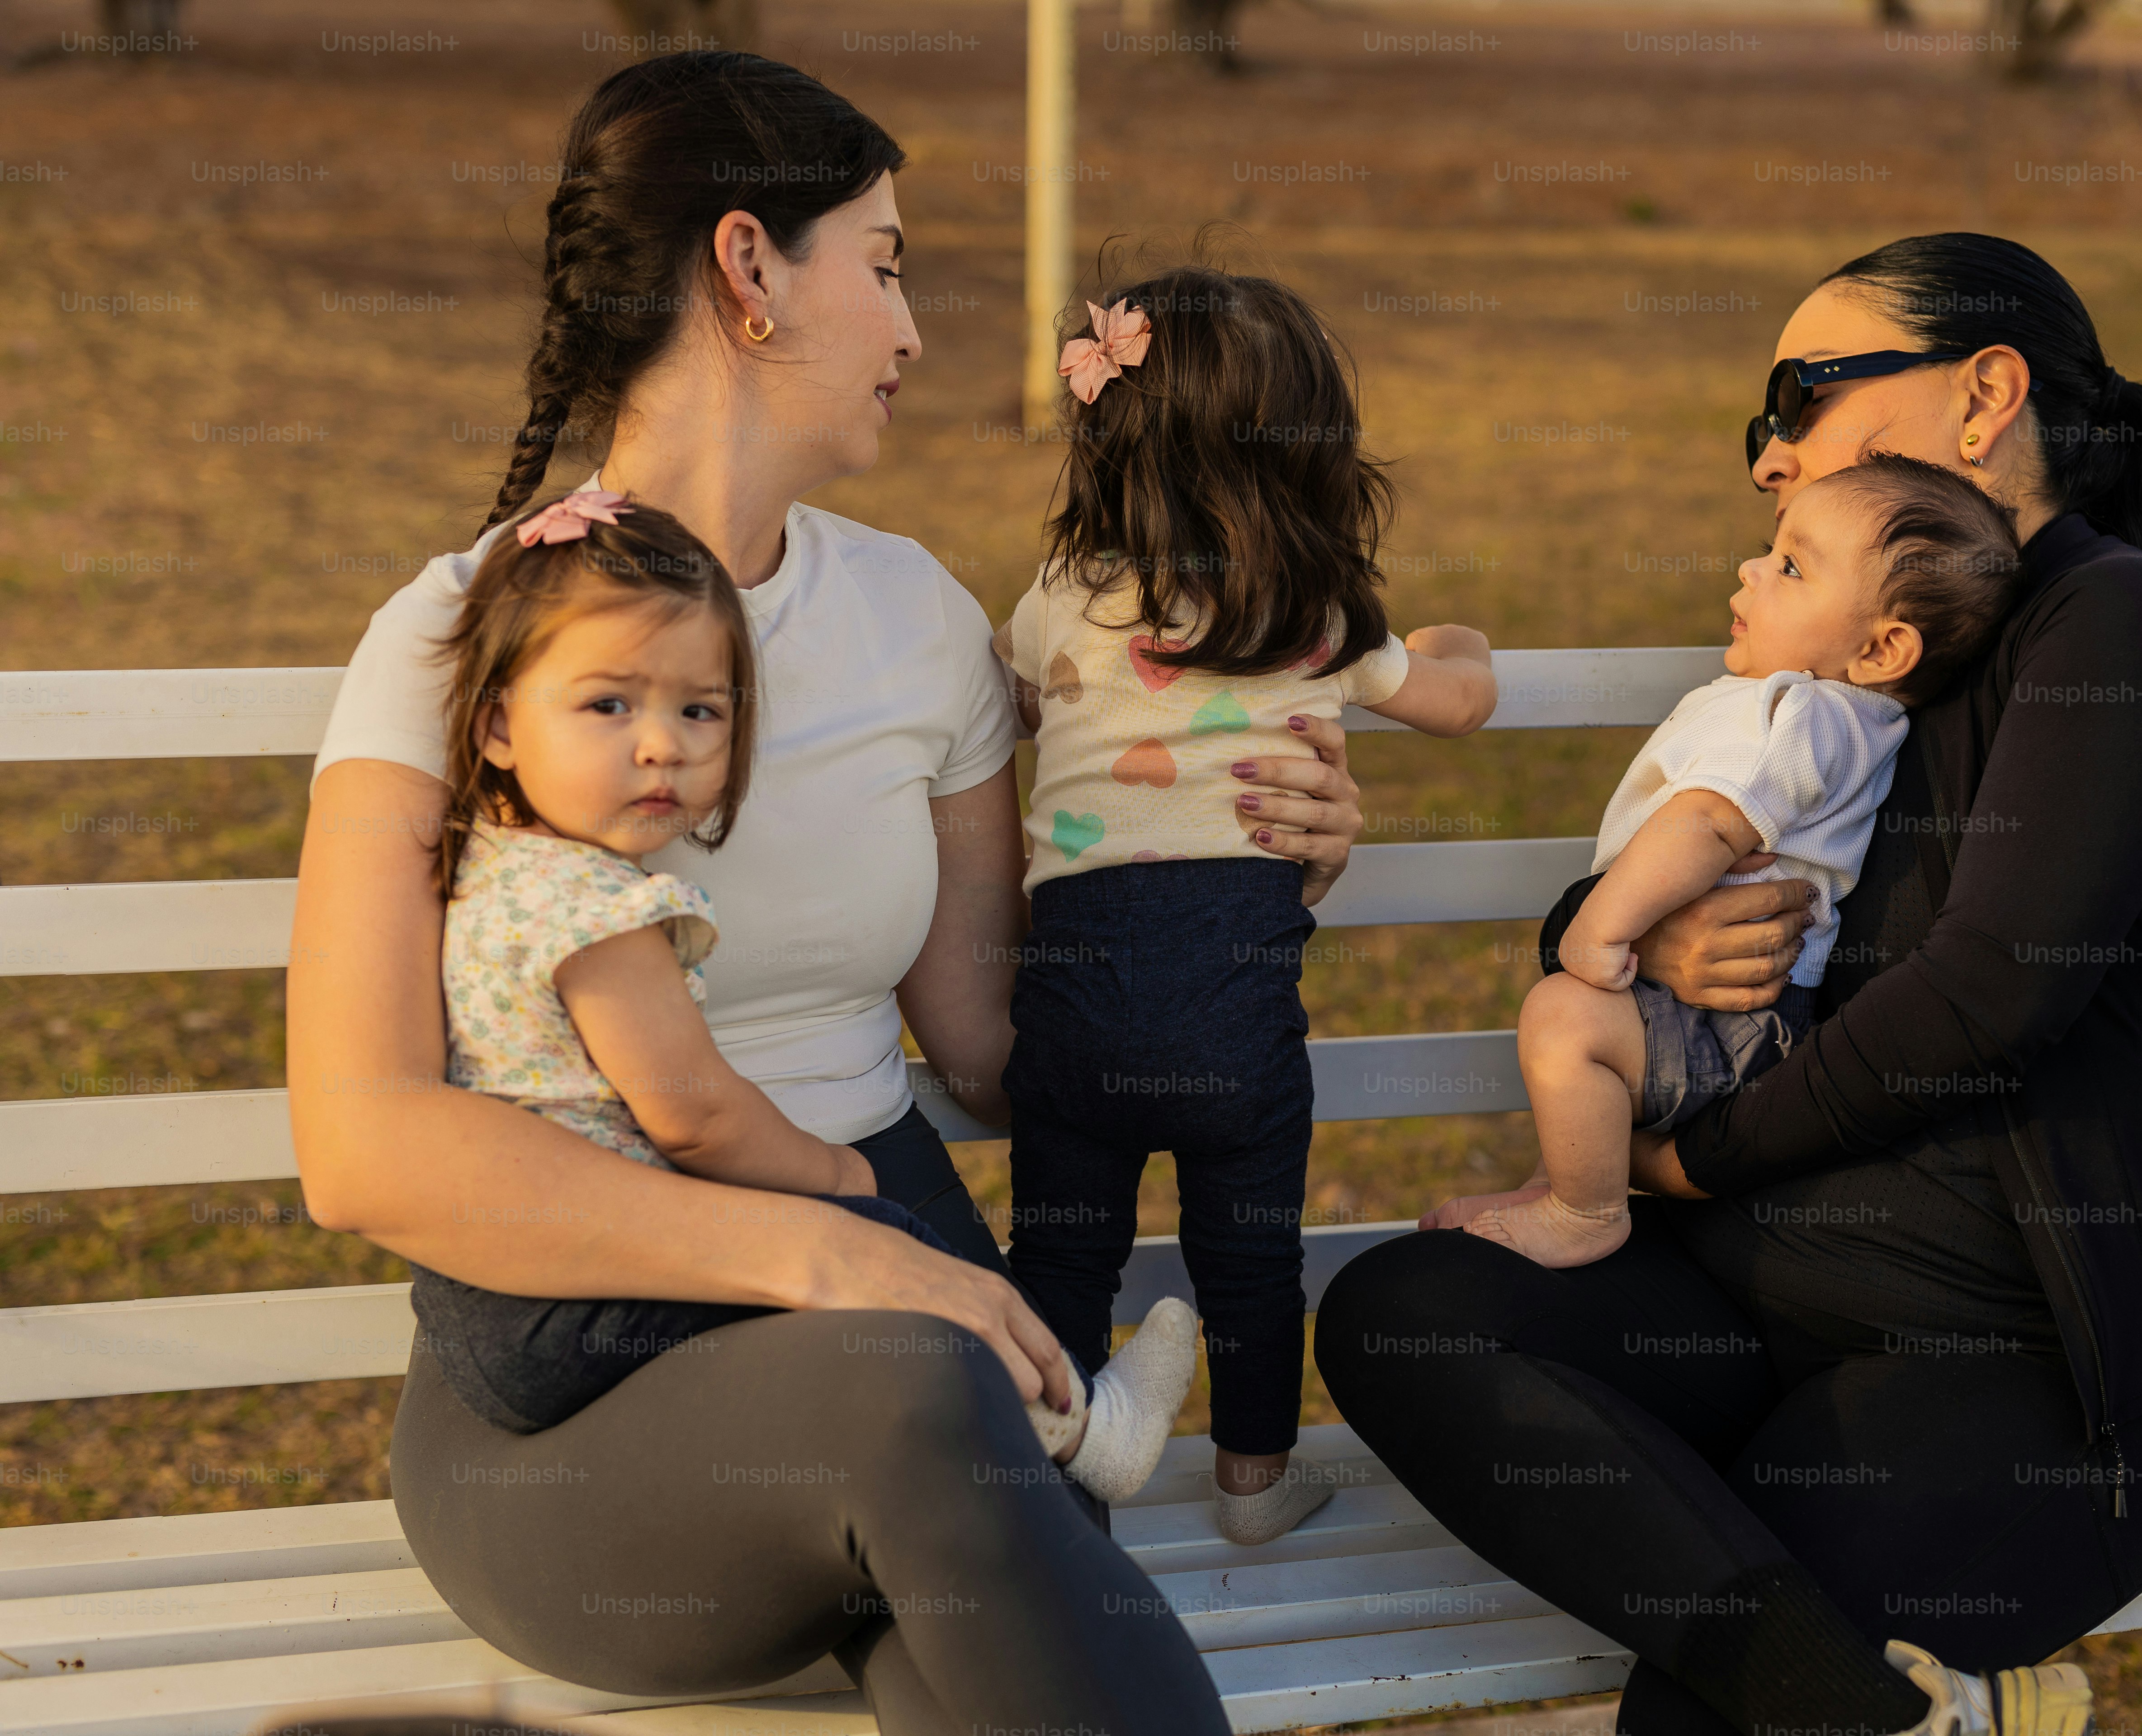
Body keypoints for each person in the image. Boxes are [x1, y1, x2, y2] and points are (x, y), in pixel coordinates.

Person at [288, 52, 1363, 1735]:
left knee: (977, 1578)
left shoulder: (918, 621)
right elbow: (363, 1147)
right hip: (582, 1428)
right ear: (750, 269)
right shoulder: (464, 635)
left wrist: (1232, 874)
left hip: (913, 1348)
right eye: (885, 262)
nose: (915, 331)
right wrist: (828, 1258)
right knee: (919, 1400)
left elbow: (1001, 1056)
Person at [1316, 232, 2142, 1736]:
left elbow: (1988, 995)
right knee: (1403, 1314)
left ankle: (1833, 1697)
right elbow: (1680, 850)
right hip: (1750, 1301)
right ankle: (1884, 1716)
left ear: (1985, 397)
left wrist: (1687, 1160)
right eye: (1760, 424)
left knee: (1697, 1717)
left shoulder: (2122, 624)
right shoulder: (1842, 647)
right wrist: (1637, 934)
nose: (1771, 457)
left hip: (2009, 1356)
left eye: (1803, 397)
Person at [413, 486, 1197, 1500]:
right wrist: (832, 1180)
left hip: (496, 1292)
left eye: (699, 712)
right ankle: (1089, 1428)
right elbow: (693, 1115)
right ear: (496, 726)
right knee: (888, 1256)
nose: (661, 745)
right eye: (610, 706)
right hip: (579, 1292)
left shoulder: (496, 870)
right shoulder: (605, 918)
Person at [995, 270, 1498, 1543]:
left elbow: (1015, 702)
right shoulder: (1311, 614)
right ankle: (1254, 1481)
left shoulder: (1063, 593)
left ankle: (1048, 1498)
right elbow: (1456, 703)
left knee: (1060, 1258)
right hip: (1236, 1027)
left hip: (1072, 1021)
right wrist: (1469, 645)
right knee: (1253, 1262)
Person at [1426, 455, 2018, 1270]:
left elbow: (1708, 823)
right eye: (1771, 550)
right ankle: (1553, 1187)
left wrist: (1597, 929)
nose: (1751, 568)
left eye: (1792, 567)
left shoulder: (1803, 713)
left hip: (1732, 1022)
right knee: (1585, 1042)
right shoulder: (1835, 715)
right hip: (1732, 1011)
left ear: (1884, 650)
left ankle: (1585, 1212)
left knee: (1564, 1020)